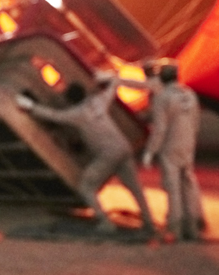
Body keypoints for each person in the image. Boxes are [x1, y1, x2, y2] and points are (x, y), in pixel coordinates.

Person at [15, 74, 155, 234]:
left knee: (86, 186)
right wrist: (105, 78)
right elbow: (114, 86)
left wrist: (31, 106)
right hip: (124, 148)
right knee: (135, 188)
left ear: (70, 100)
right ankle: (149, 223)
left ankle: (105, 222)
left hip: (107, 154)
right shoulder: (99, 102)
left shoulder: (76, 114)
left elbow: (53, 115)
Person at [139, 63, 207, 241]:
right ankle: (192, 227)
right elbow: (196, 122)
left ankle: (175, 228)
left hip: (170, 146)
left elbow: (160, 128)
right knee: (189, 183)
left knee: (173, 187)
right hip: (188, 144)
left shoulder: (163, 98)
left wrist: (150, 151)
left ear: (162, 78)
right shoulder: (189, 94)